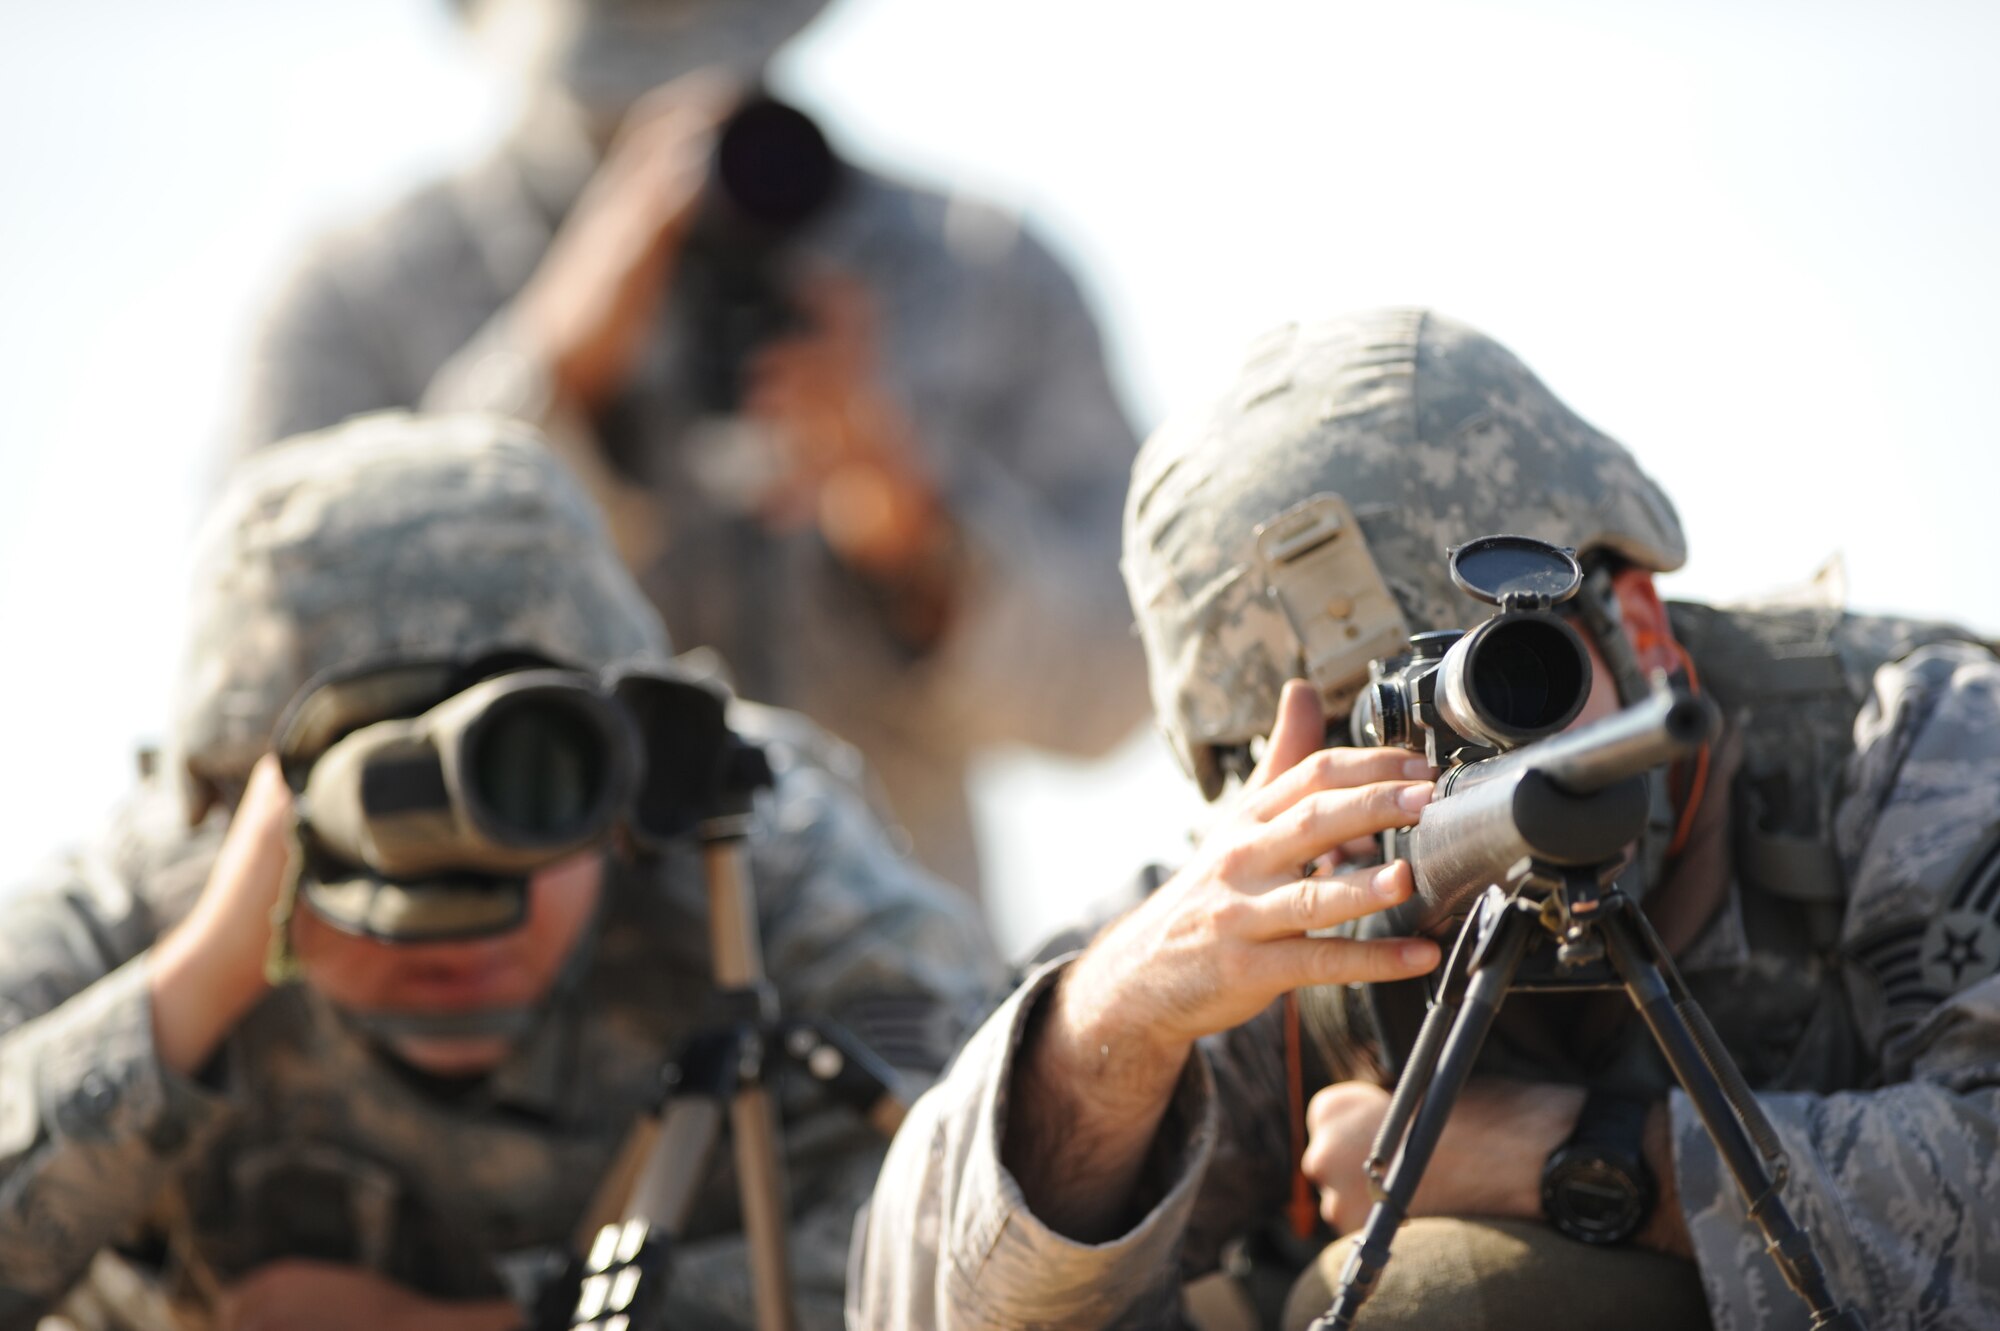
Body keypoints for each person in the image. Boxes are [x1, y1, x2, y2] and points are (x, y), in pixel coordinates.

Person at [850, 308, 2000, 1330]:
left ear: (1638, 623)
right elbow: (915, 1301)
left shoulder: (1910, 744)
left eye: (1504, 688)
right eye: (1355, 751)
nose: (1439, 785)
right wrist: (1119, 1019)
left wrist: (1570, 1157)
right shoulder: (1275, 916)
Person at [0, 412, 1003, 1331]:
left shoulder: (750, 861)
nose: (465, 916)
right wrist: (198, 981)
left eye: (528, 785)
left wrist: (514, 1324)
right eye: (390, 819)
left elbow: (997, 1228)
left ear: (631, 774)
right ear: (231, 805)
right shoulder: (140, 908)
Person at [227, 0, 1148, 895]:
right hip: (500, 1020)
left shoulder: (978, 270)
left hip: (894, 1017)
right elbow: (265, 694)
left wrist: (914, 531)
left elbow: (1118, 685)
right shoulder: (357, 302)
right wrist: (551, 387)